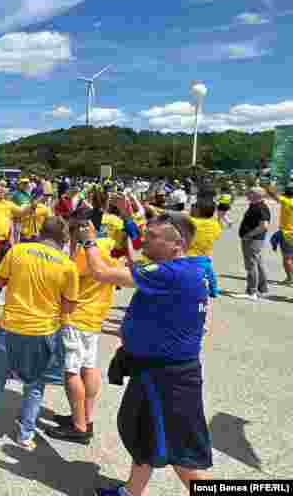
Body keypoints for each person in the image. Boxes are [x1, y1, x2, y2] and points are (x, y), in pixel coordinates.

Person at [80, 212, 213, 496]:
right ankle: (131, 492)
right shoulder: (189, 268)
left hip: (166, 378)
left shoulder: (170, 273)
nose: (144, 243)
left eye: (152, 238)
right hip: (157, 371)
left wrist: (89, 242)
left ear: (176, 244)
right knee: (144, 435)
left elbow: (101, 273)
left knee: (179, 451)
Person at [0, 216, 77, 450]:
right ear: (64, 239)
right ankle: (26, 433)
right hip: (44, 330)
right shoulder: (68, 265)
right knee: (35, 384)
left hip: (11, 326)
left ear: (40, 232)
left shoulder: (18, 251)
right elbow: (69, 305)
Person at [45, 214, 125, 445]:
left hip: (76, 317)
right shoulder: (107, 247)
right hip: (95, 317)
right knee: (88, 367)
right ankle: (85, 418)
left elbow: (62, 279)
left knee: (71, 371)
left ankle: (79, 427)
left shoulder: (82, 255)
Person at [234, 187, 271, 300]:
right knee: (258, 263)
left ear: (256, 195)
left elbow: (264, 226)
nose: (247, 194)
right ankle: (262, 288)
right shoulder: (254, 205)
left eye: (250, 193)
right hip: (254, 239)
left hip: (253, 240)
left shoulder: (261, 207)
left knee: (251, 265)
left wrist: (249, 235)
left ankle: (251, 292)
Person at [265, 184, 293, 285]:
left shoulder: (287, 201)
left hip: (287, 233)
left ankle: (290, 278)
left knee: (287, 258)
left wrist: (268, 185)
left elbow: (272, 194)